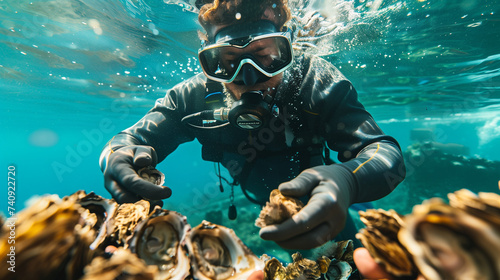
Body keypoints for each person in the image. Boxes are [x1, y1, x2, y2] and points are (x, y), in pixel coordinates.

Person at [99, 0, 406, 250]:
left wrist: (348, 181)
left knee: (353, 250)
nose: (249, 78)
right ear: (209, 58)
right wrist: (115, 154)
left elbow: (385, 154)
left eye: (267, 56)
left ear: (289, 44)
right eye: (228, 61)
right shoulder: (195, 97)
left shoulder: (315, 82)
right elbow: (127, 140)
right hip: (264, 203)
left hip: (323, 197)